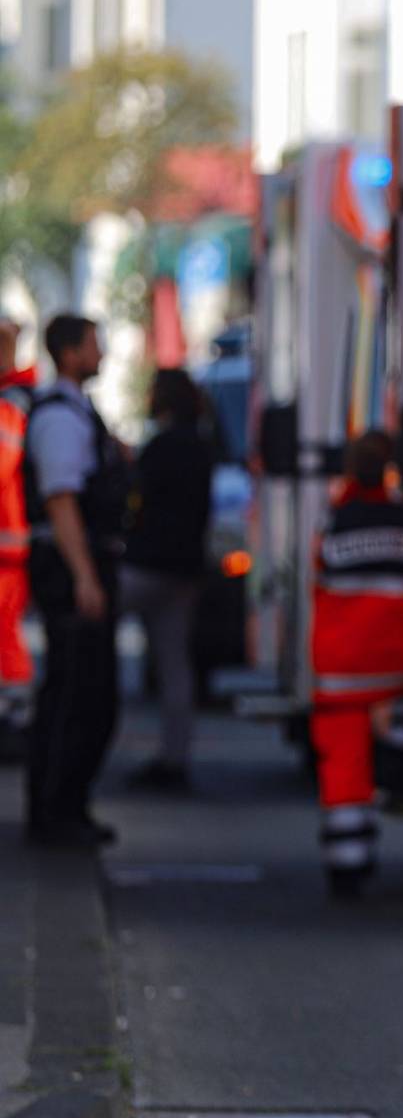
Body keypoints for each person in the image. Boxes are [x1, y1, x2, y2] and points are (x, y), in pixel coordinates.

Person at [308, 429, 403, 897]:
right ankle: (399, 743)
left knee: (343, 768)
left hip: (341, 667)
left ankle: (348, 863)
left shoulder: (334, 524)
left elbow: (317, 582)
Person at [22, 314, 129, 847]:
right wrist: (84, 576)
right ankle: (56, 809)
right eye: (93, 344)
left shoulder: (77, 412)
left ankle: (65, 806)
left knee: (89, 693)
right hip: (69, 567)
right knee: (77, 694)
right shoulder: (59, 418)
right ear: (69, 354)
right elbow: (61, 501)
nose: (101, 353)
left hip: (79, 562)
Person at [120, 370, 217, 790]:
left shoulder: (160, 447)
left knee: (89, 632)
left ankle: (76, 735)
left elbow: (134, 499)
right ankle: (175, 757)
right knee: (176, 663)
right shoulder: (202, 446)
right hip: (185, 567)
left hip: (146, 563)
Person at [0, 318, 37, 763]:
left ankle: (15, 718)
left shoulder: (10, 404)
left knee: (6, 638)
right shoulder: (19, 398)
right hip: (11, 547)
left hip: (7, 551)